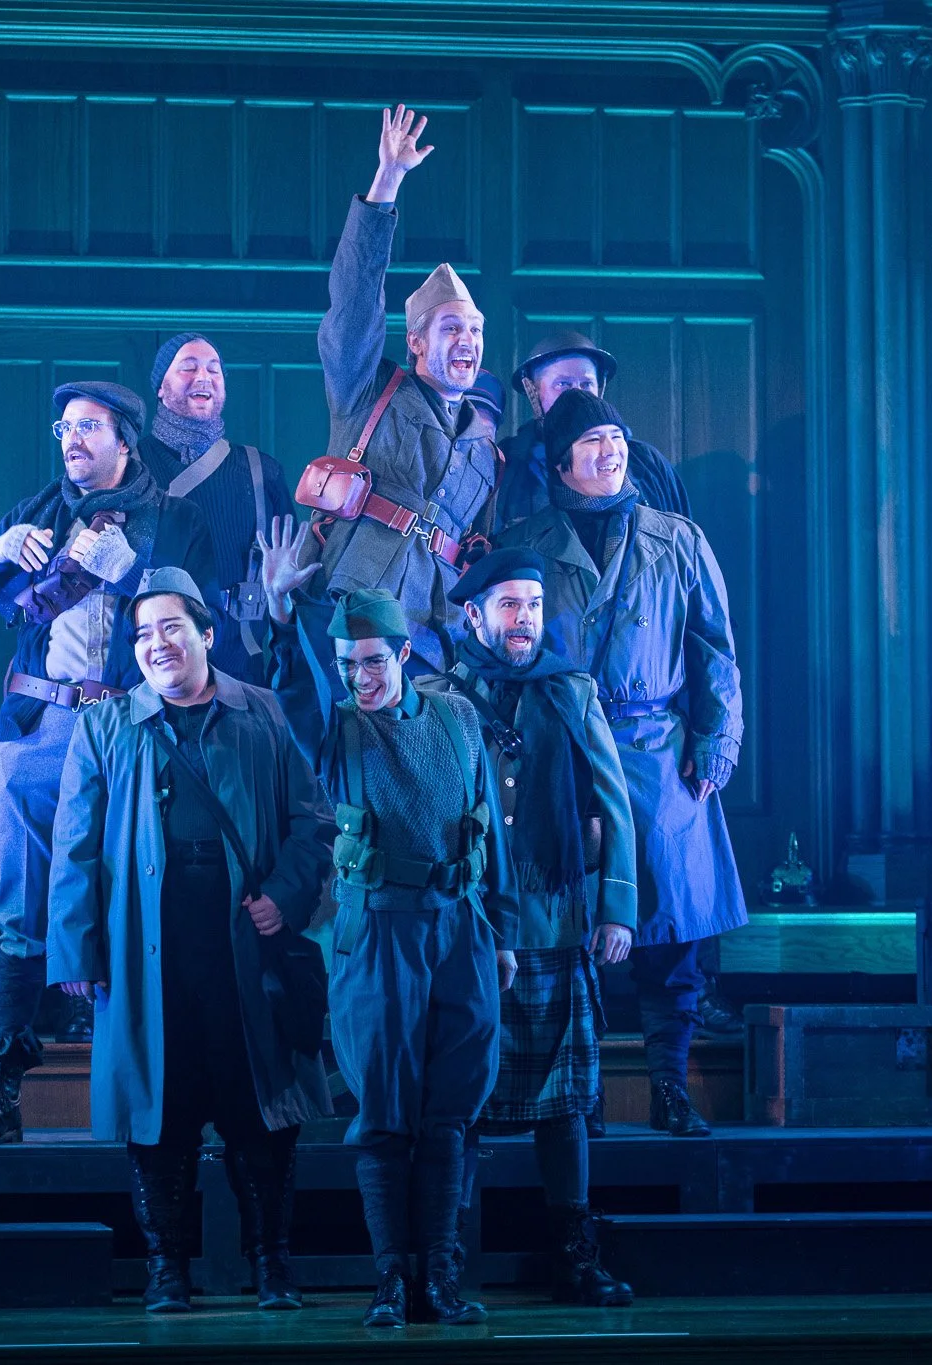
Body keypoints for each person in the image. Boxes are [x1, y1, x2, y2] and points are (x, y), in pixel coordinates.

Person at [0, 380, 217, 1145]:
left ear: (126, 438)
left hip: (130, 730)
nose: (72, 439)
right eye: (64, 426)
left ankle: (152, 1100)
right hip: (37, 727)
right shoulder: (33, 514)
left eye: (90, 426)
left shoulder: (179, 519)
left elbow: (207, 615)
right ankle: (0, 1092)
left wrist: (132, 574)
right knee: (18, 905)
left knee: (132, 894)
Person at [46, 567, 334, 1313]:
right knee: (158, 1113)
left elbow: (313, 822)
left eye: (171, 626)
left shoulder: (262, 712)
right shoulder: (106, 724)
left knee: (260, 1110)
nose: (155, 644)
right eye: (141, 633)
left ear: (208, 633)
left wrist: (284, 897)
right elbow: (74, 846)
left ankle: (273, 1267)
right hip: (148, 947)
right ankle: (165, 1270)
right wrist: (76, 951)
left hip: (244, 945)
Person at [260, 529, 515, 1328]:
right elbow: (297, 693)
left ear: (403, 654)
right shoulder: (336, 731)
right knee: (383, 1108)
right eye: (348, 665)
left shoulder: (458, 718)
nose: (361, 677)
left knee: (451, 1107)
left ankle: (439, 1275)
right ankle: (390, 1281)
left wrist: (501, 930)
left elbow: (489, 828)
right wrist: (285, 612)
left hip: (460, 927)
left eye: (373, 661)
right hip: (378, 933)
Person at [496, 388, 747, 1137]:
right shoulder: (528, 540)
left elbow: (717, 652)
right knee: (575, 933)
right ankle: (587, 1096)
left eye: (617, 437)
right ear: (562, 461)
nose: (610, 450)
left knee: (670, 942)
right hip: (563, 756)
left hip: (659, 758)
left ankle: (671, 1087)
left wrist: (716, 743)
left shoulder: (676, 538)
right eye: (594, 441)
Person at [424, 548, 637, 1306]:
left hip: (553, 920)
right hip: (468, 924)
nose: (524, 621)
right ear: (473, 614)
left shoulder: (569, 691)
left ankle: (575, 1255)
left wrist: (616, 907)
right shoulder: (438, 695)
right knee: (460, 1099)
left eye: (534, 607)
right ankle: (446, 1258)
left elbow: (613, 803)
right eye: (509, 606)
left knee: (565, 1101)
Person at [301, 104, 501, 669]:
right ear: (415, 341)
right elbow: (355, 302)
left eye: (476, 330)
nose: (468, 339)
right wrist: (387, 181)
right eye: (451, 327)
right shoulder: (368, 392)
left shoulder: (487, 452)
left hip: (434, 653)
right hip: (350, 630)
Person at [137, 333, 288, 680]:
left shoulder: (261, 470)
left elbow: (291, 584)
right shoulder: (129, 466)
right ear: (161, 387)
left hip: (241, 672)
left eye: (214, 370)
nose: (203, 377)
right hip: (150, 672)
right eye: (188, 368)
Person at [496, 331, 690, 526]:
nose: (577, 395)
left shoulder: (647, 463)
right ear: (533, 391)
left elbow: (681, 539)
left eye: (587, 383)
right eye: (563, 384)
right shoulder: (507, 465)